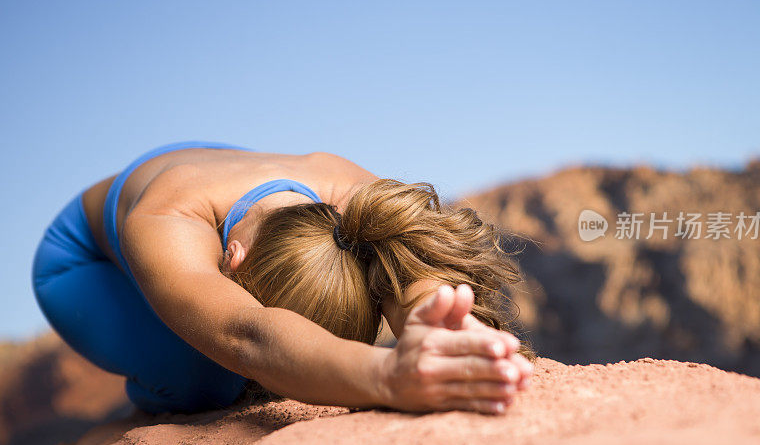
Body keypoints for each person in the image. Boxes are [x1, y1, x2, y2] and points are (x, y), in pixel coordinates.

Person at [31, 141, 534, 416]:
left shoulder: (343, 184)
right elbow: (246, 333)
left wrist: (434, 313)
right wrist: (386, 376)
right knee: (208, 378)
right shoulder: (168, 220)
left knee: (286, 365)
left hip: (196, 189)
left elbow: (404, 259)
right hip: (80, 263)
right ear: (233, 259)